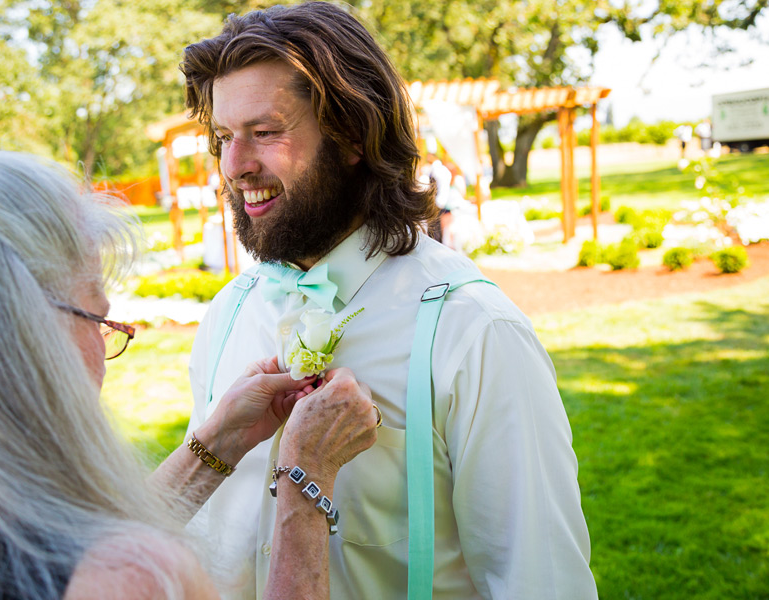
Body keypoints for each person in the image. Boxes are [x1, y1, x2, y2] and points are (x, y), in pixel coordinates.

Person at [180, 2, 597, 599]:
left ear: (352, 134)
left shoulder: (472, 330)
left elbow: (540, 581)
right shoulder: (227, 314)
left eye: (265, 133)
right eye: (223, 137)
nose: (236, 166)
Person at [0, 145, 378, 599]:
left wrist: (222, 439)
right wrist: (305, 481)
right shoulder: (130, 579)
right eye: (97, 317)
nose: (104, 342)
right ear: (23, 335)